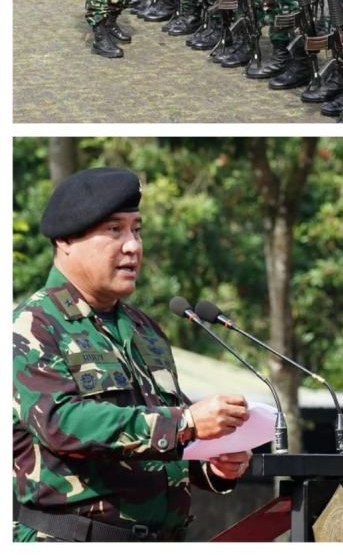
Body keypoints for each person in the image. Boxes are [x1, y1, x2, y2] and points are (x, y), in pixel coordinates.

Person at [13, 167, 252, 542]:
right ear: (65, 240)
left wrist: (215, 462)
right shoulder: (33, 325)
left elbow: (163, 437)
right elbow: (62, 424)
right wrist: (186, 422)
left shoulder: (145, 330)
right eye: (114, 230)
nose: (133, 247)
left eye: (136, 230)